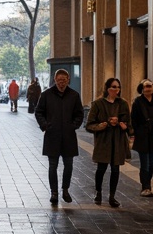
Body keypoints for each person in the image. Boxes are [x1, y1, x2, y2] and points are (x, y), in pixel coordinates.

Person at [34, 68, 84, 205]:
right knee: (52, 165)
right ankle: (54, 192)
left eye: (64, 80)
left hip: (68, 136)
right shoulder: (46, 95)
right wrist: (45, 125)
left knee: (69, 165)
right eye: (59, 80)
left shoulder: (74, 95)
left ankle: (65, 189)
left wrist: (73, 125)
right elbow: (38, 112)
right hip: (52, 135)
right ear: (55, 80)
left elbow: (79, 114)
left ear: (68, 80)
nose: (61, 83)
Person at [86, 77, 131, 207]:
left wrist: (124, 125)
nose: (116, 90)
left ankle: (112, 196)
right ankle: (98, 192)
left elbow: (129, 123)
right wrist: (102, 125)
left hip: (117, 140)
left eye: (118, 87)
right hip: (104, 141)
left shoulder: (123, 104)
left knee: (115, 169)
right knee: (101, 168)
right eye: (113, 87)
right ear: (107, 88)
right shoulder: (98, 104)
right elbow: (89, 125)